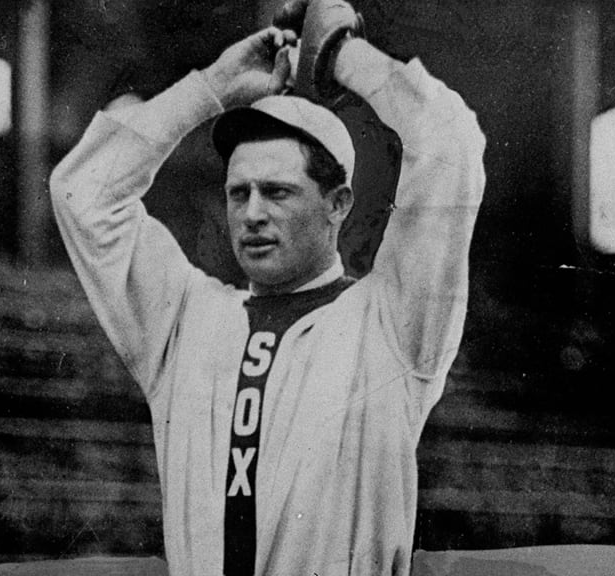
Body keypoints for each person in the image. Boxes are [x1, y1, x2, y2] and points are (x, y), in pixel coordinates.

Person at [49, 4, 486, 574]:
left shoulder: (392, 323)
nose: (251, 214)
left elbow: (449, 144)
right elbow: (83, 193)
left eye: (277, 192)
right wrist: (210, 90)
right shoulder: (184, 321)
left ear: (337, 205)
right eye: (238, 193)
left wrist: (335, 52)